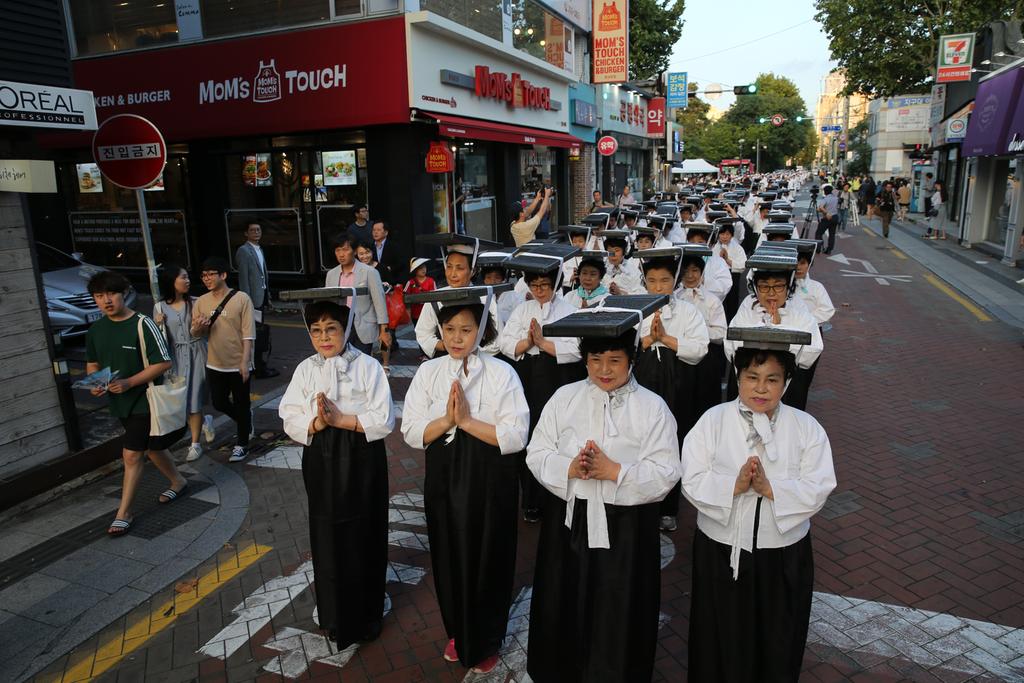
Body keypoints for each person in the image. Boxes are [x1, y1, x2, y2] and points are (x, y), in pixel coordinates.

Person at [525, 315, 682, 683]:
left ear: (631, 358)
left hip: (626, 527)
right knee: (565, 599)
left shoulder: (652, 407)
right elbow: (536, 451)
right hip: (570, 521)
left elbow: (666, 471)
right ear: (585, 360)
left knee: (618, 606)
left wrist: (615, 472)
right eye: (595, 360)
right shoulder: (565, 398)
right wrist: (570, 467)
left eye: (614, 360)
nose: (604, 369)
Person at [681, 327, 836, 683]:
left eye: (772, 379)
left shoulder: (806, 427)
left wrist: (771, 488)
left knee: (776, 636)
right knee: (717, 635)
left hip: (781, 553)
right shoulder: (713, 421)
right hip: (721, 548)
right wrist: (732, 486)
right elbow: (691, 475)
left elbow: (820, 484)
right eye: (752, 377)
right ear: (737, 378)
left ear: (787, 382)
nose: (761, 388)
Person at [402, 288, 530, 675]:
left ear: (482, 330)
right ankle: (458, 631)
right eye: (450, 329)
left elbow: (516, 435)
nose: (457, 338)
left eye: (466, 329)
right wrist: (446, 420)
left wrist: (468, 421)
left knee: (488, 556)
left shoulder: (502, 372)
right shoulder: (429, 372)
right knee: (448, 553)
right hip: (444, 474)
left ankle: (487, 638)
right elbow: (411, 430)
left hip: (490, 478)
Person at [279, 297, 395, 649]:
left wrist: (340, 419)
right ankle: (333, 614)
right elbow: (288, 413)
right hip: (321, 455)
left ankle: (367, 615)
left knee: (366, 530)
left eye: (331, 329)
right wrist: (316, 421)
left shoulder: (368, 366)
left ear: (346, 330)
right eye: (316, 331)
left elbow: (384, 418)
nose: (324, 337)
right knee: (326, 531)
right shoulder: (306, 369)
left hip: (361, 454)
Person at [86, 271, 188, 536]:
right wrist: (95, 382)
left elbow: (164, 362)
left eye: (112, 294)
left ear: (124, 294)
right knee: (152, 448)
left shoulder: (143, 324)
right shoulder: (96, 329)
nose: (106, 300)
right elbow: (93, 363)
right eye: (99, 296)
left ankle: (124, 512)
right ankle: (177, 480)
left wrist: (131, 382)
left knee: (132, 455)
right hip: (119, 401)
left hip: (146, 399)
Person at [498, 255, 584, 523]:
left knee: (559, 432)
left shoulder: (568, 310)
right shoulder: (522, 311)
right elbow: (505, 342)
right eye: (534, 285)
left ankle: (558, 494)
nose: (539, 291)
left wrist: (544, 343)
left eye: (545, 285)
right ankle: (532, 500)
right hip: (527, 377)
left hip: (558, 376)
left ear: (556, 284)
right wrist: (527, 342)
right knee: (531, 433)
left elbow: (577, 348)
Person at [635, 250, 710, 532]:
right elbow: (623, 345)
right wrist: (647, 339)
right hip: (642, 377)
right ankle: (641, 498)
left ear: (674, 281)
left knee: (672, 439)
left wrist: (664, 338)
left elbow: (699, 348)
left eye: (664, 280)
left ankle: (669, 508)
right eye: (652, 280)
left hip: (677, 379)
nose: (657, 287)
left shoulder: (688, 312)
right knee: (641, 438)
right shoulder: (633, 308)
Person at [725, 252, 824, 411]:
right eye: (764, 286)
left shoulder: (801, 316)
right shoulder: (747, 311)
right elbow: (731, 346)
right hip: (750, 386)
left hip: (787, 391)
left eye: (778, 286)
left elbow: (811, 353)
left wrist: (778, 329)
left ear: (788, 287)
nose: (771, 293)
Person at [193, 257, 256, 463]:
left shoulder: (241, 298)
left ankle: (242, 444)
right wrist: (199, 326)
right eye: (204, 275)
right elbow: (196, 334)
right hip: (215, 362)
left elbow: (248, 334)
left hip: (239, 362)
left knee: (242, 403)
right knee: (219, 402)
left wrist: (245, 362)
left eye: (211, 274)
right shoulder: (201, 302)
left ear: (223, 275)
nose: (206, 278)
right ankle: (245, 423)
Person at [154, 264, 211, 462]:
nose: (187, 281)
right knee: (182, 400)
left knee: (194, 399)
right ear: (172, 281)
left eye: (187, 277)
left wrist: (198, 328)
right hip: (175, 358)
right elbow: (159, 338)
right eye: (183, 277)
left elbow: (204, 332)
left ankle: (195, 444)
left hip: (197, 353)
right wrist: (158, 323)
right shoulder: (159, 307)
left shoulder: (196, 302)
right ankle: (205, 421)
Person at [324, 235, 390, 356]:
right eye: (338, 250)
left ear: (354, 252)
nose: (341, 254)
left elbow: (379, 302)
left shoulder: (369, 272)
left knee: (362, 363)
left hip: (363, 325)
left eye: (345, 249)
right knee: (341, 362)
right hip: (340, 326)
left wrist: (384, 330)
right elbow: (329, 304)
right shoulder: (331, 274)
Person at [235, 221, 278, 378]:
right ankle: (257, 367)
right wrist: (246, 302)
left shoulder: (259, 249)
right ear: (246, 233)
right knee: (254, 334)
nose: (256, 232)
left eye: (258, 229)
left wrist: (269, 296)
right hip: (252, 300)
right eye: (252, 230)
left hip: (262, 298)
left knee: (259, 333)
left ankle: (259, 364)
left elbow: (262, 276)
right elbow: (244, 279)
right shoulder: (244, 251)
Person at [716, 221, 747, 321]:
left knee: (732, 301)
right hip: (717, 276)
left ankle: (731, 321)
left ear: (732, 236)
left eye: (727, 234)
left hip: (732, 275)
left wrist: (728, 260)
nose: (725, 237)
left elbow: (743, 264)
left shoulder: (737, 248)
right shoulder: (714, 247)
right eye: (722, 234)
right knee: (718, 301)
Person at [600, 230, 644, 295]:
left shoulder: (633, 270)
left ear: (624, 252)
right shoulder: (602, 269)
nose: (613, 255)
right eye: (610, 251)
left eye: (617, 250)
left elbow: (641, 293)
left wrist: (622, 293)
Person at [371, 220, 404, 287]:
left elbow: (401, 263)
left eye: (379, 230)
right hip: (374, 282)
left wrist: (390, 268)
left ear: (386, 232)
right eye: (374, 230)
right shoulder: (369, 247)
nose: (375, 232)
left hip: (391, 282)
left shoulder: (394, 246)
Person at [403, 257, 435, 324]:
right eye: (420, 268)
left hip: (429, 313)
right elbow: (405, 297)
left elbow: (436, 296)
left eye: (424, 267)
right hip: (416, 315)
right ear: (415, 270)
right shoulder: (410, 282)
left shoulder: (431, 281)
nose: (423, 270)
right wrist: (408, 313)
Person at [815, 184, 839, 255]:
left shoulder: (825, 199)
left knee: (818, 233)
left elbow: (821, 207)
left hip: (827, 218)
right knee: (832, 234)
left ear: (825, 192)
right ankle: (829, 250)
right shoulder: (836, 198)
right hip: (835, 217)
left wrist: (827, 213)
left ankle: (818, 249)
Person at [923, 172, 935, 237]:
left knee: (929, 211)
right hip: (927, 197)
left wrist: (926, 187)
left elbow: (929, 189)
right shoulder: (927, 181)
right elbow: (923, 187)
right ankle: (927, 216)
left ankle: (928, 217)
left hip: (929, 197)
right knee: (928, 210)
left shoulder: (931, 181)